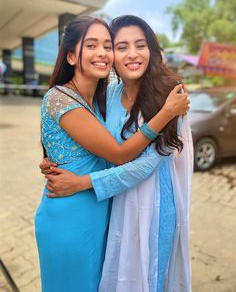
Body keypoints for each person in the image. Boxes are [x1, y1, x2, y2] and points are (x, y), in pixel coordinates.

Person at [35, 15, 189, 292]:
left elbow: (144, 162)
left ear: (152, 51)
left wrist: (78, 176)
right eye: (94, 46)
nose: (103, 53)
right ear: (71, 56)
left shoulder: (149, 98)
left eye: (107, 45)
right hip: (81, 210)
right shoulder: (86, 98)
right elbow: (116, 154)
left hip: (132, 206)